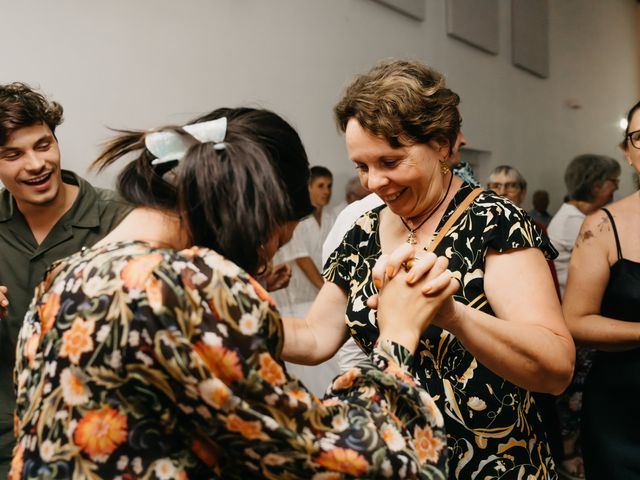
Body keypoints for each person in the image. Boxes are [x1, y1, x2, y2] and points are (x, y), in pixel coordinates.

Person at [11, 107, 453, 478]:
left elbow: (298, 345)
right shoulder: (189, 284)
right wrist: (397, 334)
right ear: (257, 213)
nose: (264, 262)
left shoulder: (62, 276)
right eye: (278, 240)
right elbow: (348, 463)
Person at [283, 59, 574, 478]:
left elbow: (556, 368)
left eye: (390, 161)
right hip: (400, 462)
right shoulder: (362, 231)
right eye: (363, 166)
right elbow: (314, 337)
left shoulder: (492, 221)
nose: (373, 183)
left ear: (440, 144)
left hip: (493, 465)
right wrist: (223, 313)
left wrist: (453, 315)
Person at [0, 82, 131, 475]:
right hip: (7, 446)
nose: (36, 164)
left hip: (100, 444)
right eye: (13, 154)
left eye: (43, 145)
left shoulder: (120, 220)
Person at [563, 100, 640, 479]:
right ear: (627, 153)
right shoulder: (602, 226)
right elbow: (576, 321)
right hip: (622, 409)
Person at [546, 153, 620, 479]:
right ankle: (570, 455)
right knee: (573, 396)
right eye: (611, 182)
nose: (615, 188)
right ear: (595, 184)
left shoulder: (575, 215)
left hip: (569, 316)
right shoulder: (577, 222)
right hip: (570, 320)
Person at [271, 166, 339, 395]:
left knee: (330, 360)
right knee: (310, 366)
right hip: (299, 299)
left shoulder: (332, 219)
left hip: (322, 296)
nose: (326, 191)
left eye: (329, 186)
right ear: (308, 188)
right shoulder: (297, 220)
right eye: (320, 186)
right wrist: (328, 289)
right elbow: (303, 260)